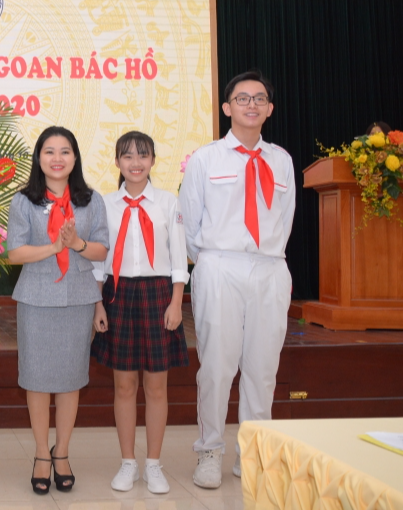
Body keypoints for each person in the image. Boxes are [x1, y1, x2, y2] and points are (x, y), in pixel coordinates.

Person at [179, 71, 295, 488]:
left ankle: (253, 451)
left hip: (268, 268)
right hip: (219, 266)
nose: (251, 104)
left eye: (259, 98)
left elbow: (285, 218)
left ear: (269, 109)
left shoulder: (281, 159)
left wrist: (270, 262)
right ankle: (210, 450)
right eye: (242, 98)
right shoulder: (205, 158)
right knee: (216, 366)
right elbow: (190, 226)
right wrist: (210, 261)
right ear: (227, 108)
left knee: (263, 368)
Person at [7, 126, 109, 495]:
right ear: (39, 158)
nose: (57, 158)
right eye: (49, 151)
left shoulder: (90, 200)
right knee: (36, 380)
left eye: (65, 151)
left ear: (75, 158)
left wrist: (77, 243)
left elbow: (101, 250)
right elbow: (15, 252)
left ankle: (62, 452)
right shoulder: (24, 201)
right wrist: (53, 247)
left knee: (69, 380)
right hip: (36, 297)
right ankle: (40, 454)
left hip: (78, 297)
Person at [91, 131, 189, 494]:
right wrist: (98, 303)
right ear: (116, 162)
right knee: (124, 384)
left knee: (157, 385)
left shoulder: (167, 202)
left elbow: (179, 256)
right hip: (118, 294)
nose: (135, 163)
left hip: (158, 293)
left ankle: (154, 465)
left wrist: (177, 302)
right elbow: (99, 260)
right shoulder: (105, 204)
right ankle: (128, 463)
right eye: (128, 156)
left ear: (152, 161)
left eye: (143, 155)